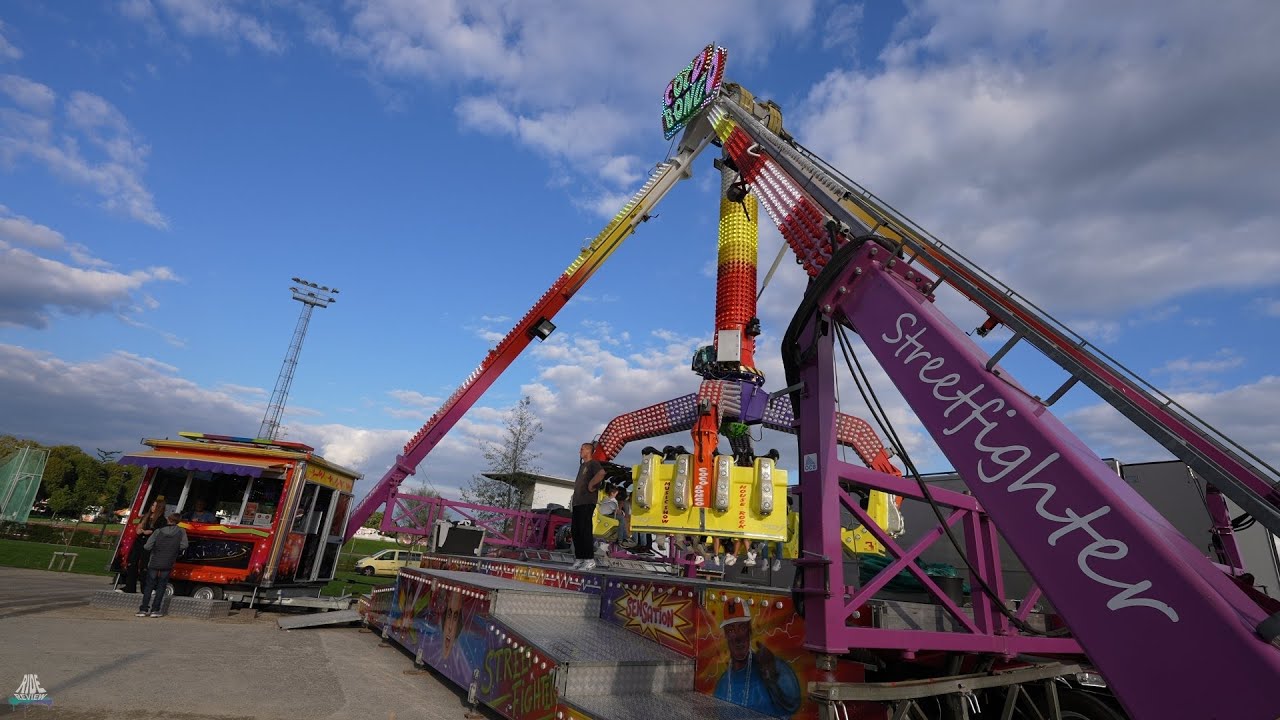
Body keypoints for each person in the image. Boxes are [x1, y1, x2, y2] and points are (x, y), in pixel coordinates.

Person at [714, 600, 801, 716]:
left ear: (750, 631)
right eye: (731, 630)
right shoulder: (723, 684)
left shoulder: (770, 665)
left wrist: (772, 673)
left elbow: (793, 703)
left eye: (742, 628)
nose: (738, 638)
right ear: (726, 635)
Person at [137, 513, 188, 618]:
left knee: (149, 586)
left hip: (155, 560)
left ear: (168, 519)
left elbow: (147, 546)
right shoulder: (181, 531)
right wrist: (174, 549)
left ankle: (143, 609)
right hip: (168, 561)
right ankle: (155, 610)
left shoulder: (158, 531)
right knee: (161, 586)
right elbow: (184, 545)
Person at [571, 442, 605, 571]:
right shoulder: (582, 466)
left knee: (585, 530)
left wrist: (591, 484)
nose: (580, 451)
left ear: (589, 451)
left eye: (582, 449)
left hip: (587, 501)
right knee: (576, 531)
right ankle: (580, 558)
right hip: (578, 502)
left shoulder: (593, 463)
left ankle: (589, 559)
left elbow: (601, 473)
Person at [122, 496, 167, 593]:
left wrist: (150, 532)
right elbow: (139, 526)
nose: (153, 508)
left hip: (149, 544)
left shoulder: (162, 520)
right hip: (139, 542)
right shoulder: (146, 516)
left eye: (155, 506)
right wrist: (139, 530)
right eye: (152, 505)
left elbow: (159, 532)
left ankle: (145, 588)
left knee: (144, 566)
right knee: (132, 563)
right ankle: (130, 587)